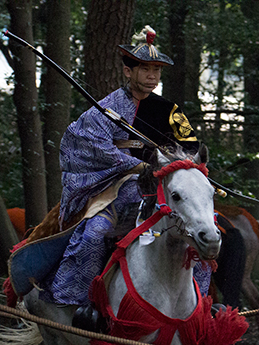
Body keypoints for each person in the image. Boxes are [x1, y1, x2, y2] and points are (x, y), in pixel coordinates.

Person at [46, 25, 207, 316]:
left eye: (156, 71)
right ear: (127, 71)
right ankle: (83, 305)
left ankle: (202, 307)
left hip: (166, 189)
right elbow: (90, 146)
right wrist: (138, 164)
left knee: (207, 231)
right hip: (117, 189)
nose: (152, 76)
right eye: (145, 69)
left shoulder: (171, 110)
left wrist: (176, 162)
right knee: (95, 233)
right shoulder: (104, 110)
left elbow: (192, 146)